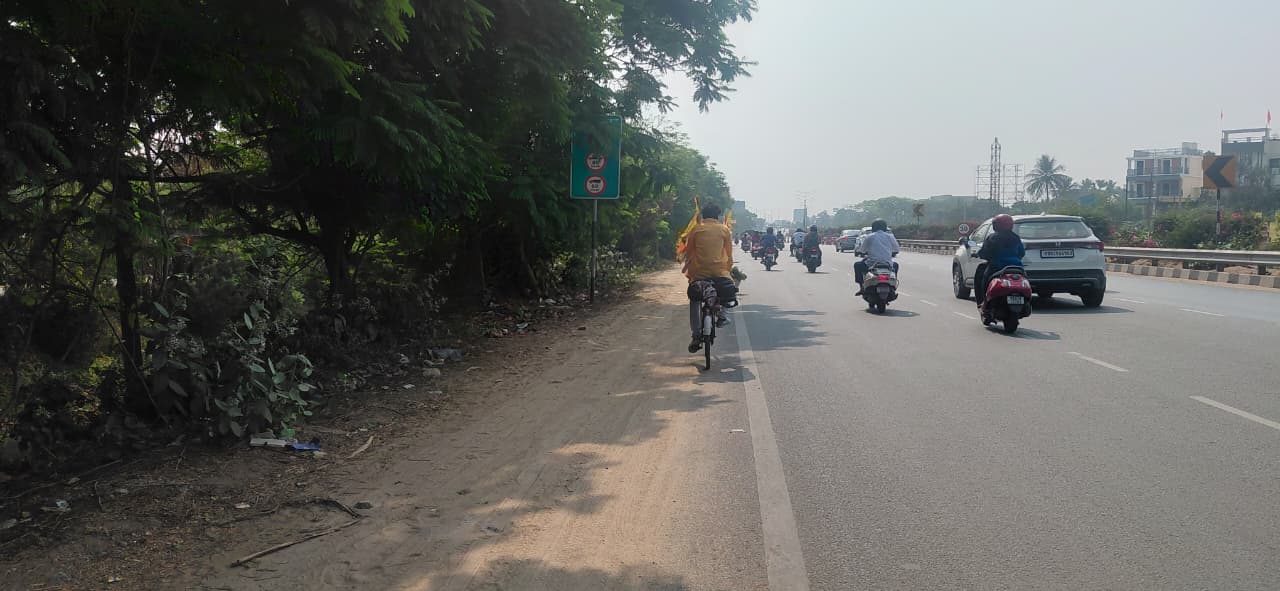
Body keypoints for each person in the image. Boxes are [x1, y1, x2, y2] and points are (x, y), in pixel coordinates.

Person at [682, 204, 737, 353]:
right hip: (720, 273)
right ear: (717, 217)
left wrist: (690, 272)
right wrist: (728, 270)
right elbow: (729, 254)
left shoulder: (696, 229)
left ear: (704, 216)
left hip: (699, 274)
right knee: (730, 289)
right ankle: (723, 316)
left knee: (694, 299)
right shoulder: (725, 230)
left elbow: (689, 252)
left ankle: (695, 335)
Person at [974, 214, 1025, 308]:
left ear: (996, 225)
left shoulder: (993, 237)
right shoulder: (1016, 238)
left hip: (997, 267)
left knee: (983, 280)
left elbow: (985, 253)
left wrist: (979, 254)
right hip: (1017, 267)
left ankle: (983, 302)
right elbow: (1022, 253)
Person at [854, 219, 900, 295]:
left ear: (873, 228)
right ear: (885, 228)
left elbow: (862, 250)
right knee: (896, 265)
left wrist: (861, 252)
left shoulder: (870, 236)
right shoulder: (890, 236)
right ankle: (893, 286)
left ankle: (862, 286)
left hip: (871, 263)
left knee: (857, 265)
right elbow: (896, 249)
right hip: (887, 263)